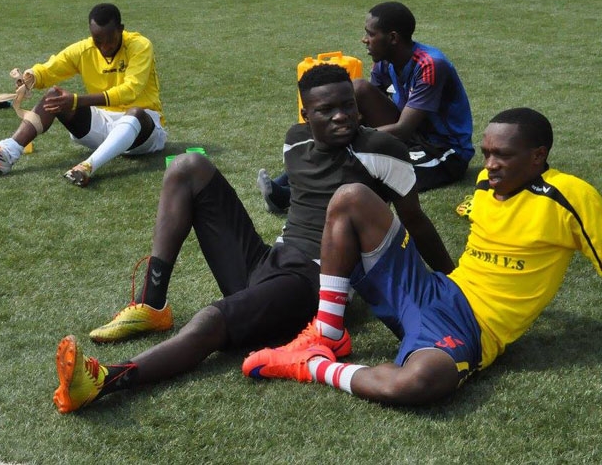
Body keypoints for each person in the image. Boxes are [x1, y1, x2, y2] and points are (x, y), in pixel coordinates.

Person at [50, 63, 454, 413]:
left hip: (313, 285)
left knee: (211, 319)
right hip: (270, 261)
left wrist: (455, 282)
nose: (341, 117)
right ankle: (152, 304)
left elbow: (415, 222)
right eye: (326, 110)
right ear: (305, 113)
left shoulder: (383, 149)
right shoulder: (294, 141)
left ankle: (106, 379)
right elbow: (303, 198)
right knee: (188, 166)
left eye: (348, 105)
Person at [243, 108, 602, 405]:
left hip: (472, 328)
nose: (490, 165)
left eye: (502, 155)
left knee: (416, 384)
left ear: (538, 156)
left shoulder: (569, 196)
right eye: (486, 153)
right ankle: (328, 332)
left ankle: (312, 365)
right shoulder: (485, 184)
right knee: (351, 196)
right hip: (434, 291)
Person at [257, 1, 473, 212]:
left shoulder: (430, 65)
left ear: (393, 38)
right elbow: (363, 109)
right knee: (358, 89)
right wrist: (335, 135)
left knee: (371, 169)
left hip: (442, 151)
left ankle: (289, 197)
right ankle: (287, 182)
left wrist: (352, 140)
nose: (364, 39)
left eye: (370, 34)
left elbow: (403, 129)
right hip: (412, 137)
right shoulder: (384, 61)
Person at [0, 3, 165, 187]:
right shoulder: (85, 50)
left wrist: (76, 100)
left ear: (121, 29)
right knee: (54, 95)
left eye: (110, 40)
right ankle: (7, 153)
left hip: (144, 134)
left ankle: (88, 166)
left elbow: (130, 91)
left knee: (136, 112)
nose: (104, 47)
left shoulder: (140, 46)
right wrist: (31, 77)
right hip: (103, 127)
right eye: (98, 41)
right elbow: (52, 68)